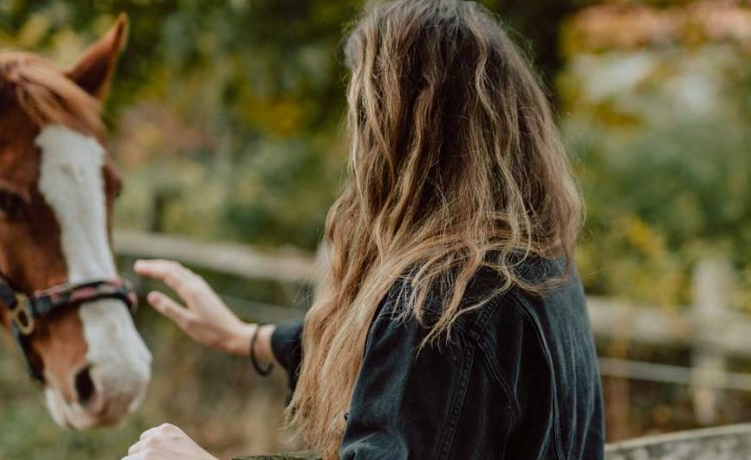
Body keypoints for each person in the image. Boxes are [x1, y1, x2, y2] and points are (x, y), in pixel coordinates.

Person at [123, 0, 603, 459]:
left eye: (363, 115)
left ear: (400, 131)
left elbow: (415, 370)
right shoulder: (537, 269)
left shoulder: (440, 303)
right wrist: (247, 337)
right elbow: (405, 382)